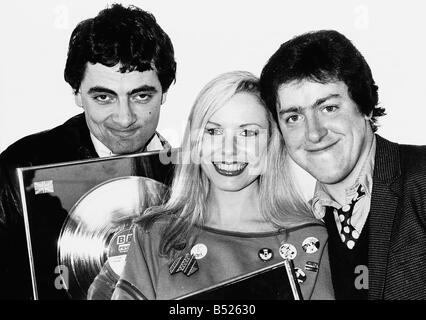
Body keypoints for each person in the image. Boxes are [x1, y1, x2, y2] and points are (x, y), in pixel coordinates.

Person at [0, 3, 176, 299]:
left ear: (165, 93)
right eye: (104, 97)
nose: (125, 118)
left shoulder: (194, 174)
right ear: (77, 94)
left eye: (142, 95)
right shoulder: (20, 168)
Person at [110, 71, 334, 300]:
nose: (229, 149)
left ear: (271, 142)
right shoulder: (153, 234)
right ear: (195, 141)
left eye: (247, 133)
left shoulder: (310, 240)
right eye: (214, 131)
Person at [259, 30, 426, 299]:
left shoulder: (421, 180)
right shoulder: (302, 233)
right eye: (293, 117)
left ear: (365, 105)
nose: (314, 133)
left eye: (328, 108)